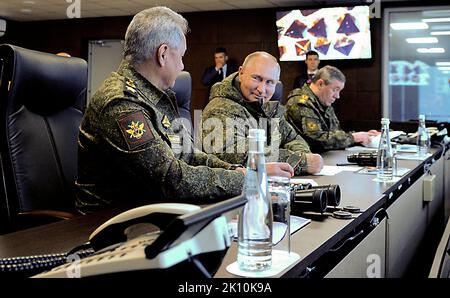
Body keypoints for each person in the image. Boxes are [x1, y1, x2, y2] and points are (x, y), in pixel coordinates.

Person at [75, 7, 293, 214]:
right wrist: (249, 179)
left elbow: (187, 154)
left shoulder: (156, 96)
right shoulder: (121, 104)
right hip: (110, 225)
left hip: (151, 210)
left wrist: (238, 172)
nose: (182, 66)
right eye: (181, 57)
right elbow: (172, 179)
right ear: (163, 54)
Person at [202, 51, 324, 175]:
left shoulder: (265, 106)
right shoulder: (219, 108)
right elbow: (238, 154)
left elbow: (291, 138)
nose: (261, 89)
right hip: (237, 191)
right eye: (256, 78)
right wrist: (302, 161)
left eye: (269, 82)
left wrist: (304, 156)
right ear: (241, 72)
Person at [285, 65, 379, 152]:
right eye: (335, 90)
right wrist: (353, 137)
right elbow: (317, 140)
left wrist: (361, 136)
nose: (337, 96)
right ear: (320, 84)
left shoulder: (323, 101)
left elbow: (335, 133)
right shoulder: (300, 102)